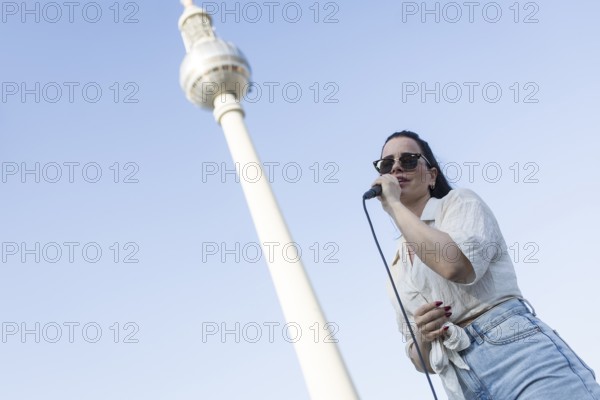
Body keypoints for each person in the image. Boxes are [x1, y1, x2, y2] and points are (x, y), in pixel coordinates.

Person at [371, 130, 600, 400]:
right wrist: (424, 333)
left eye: (408, 160)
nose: (396, 167)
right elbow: (420, 361)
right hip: (462, 384)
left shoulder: (460, 203)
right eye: (386, 164)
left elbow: (453, 265)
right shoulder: (396, 269)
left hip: (518, 356)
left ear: (432, 176)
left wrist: (394, 206)